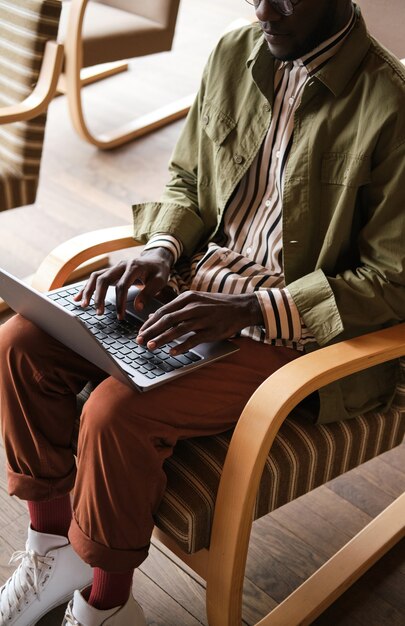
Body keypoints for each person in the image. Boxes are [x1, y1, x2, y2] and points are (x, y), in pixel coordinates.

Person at [1, 1, 404, 624]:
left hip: (293, 332)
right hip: (189, 284)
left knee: (114, 414)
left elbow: (391, 281)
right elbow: (188, 178)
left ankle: (106, 605)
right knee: (19, 344)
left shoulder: (391, 106)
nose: (264, 10)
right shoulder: (234, 52)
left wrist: (249, 306)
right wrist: (160, 249)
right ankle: (52, 549)